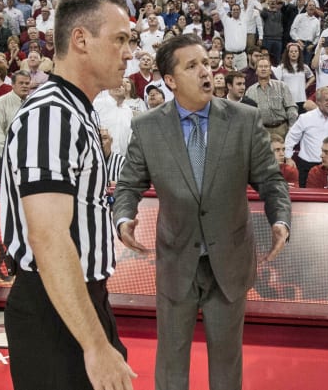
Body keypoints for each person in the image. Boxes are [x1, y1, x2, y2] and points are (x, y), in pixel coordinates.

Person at [113, 34, 291, 390]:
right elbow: (128, 185)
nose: (205, 72)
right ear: (170, 80)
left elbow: (271, 180)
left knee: (227, 364)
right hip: (176, 258)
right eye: (192, 66)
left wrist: (280, 218)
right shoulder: (147, 127)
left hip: (230, 258)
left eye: (206, 64)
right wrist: (123, 217)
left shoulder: (245, 119)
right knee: (171, 362)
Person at [0, 0, 137, 390]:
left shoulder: (75, 109)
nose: (128, 52)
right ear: (81, 40)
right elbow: (49, 237)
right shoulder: (51, 114)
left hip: (78, 299)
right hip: (54, 308)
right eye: (120, 39)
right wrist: (94, 345)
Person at [285, 86, 328, 187]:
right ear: (318, 102)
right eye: (327, 100)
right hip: (307, 165)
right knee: (305, 199)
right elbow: (291, 137)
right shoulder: (305, 118)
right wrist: (288, 158)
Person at [245, 57, 298, 138]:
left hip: (282, 129)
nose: (263, 69)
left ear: (270, 70)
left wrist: (292, 128)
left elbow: (291, 107)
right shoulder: (250, 91)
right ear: (256, 71)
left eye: (266, 67)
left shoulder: (282, 86)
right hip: (261, 131)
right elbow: (248, 114)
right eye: (260, 67)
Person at [0, 70, 31, 166]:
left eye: (27, 83)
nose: (24, 86)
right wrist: (9, 155)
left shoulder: (33, 102)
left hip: (28, 157)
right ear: (13, 84)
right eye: (21, 83)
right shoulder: (0, 103)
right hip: (6, 158)